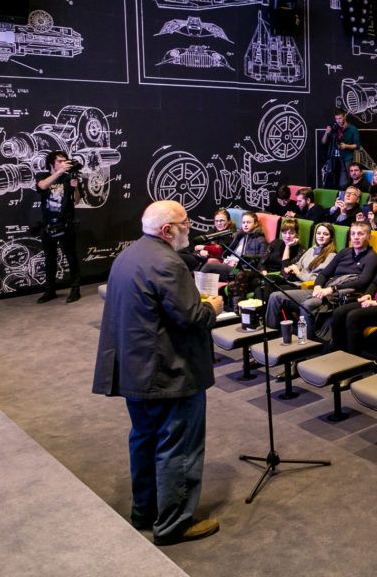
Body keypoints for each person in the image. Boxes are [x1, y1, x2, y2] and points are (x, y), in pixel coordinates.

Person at [92, 200, 224, 545]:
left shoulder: (128, 255)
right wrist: (212, 307)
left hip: (135, 371)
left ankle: (145, 512)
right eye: (185, 223)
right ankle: (174, 525)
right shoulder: (168, 263)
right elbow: (191, 317)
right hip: (169, 374)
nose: (189, 228)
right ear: (168, 230)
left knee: (145, 441)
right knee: (177, 447)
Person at [35, 150, 82, 303]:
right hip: (48, 224)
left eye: (64, 161)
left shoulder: (69, 177)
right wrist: (60, 172)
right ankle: (50, 290)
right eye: (59, 161)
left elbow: (76, 201)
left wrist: (75, 187)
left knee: (71, 257)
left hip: (66, 224)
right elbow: (42, 186)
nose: (63, 163)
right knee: (50, 259)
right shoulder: (43, 176)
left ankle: (75, 289)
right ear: (51, 163)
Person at [321, 110, 360, 189]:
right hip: (333, 159)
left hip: (346, 159)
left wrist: (346, 146)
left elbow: (357, 145)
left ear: (345, 116)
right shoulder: (333, 127)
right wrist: (326, 133)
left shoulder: (352, 129)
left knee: (344, 183)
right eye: (336, 119)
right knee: (329, 181)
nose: (338, 121)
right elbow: (323, 142)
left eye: (340, 118)